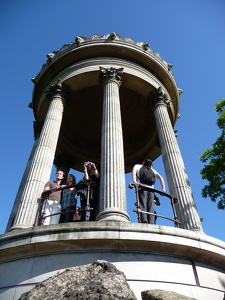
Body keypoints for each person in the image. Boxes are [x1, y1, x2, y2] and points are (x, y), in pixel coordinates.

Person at [132, 158, 166, 224]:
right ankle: (151, 222)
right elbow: (161, 177)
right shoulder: (152, 170)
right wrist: (163, 189)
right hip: (151, 190)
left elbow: (134, 170)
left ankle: (144, 221)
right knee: (151, 207)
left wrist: (134, 181)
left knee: (142, 205)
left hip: (142, 188)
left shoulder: (138, 166)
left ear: (143, 162)